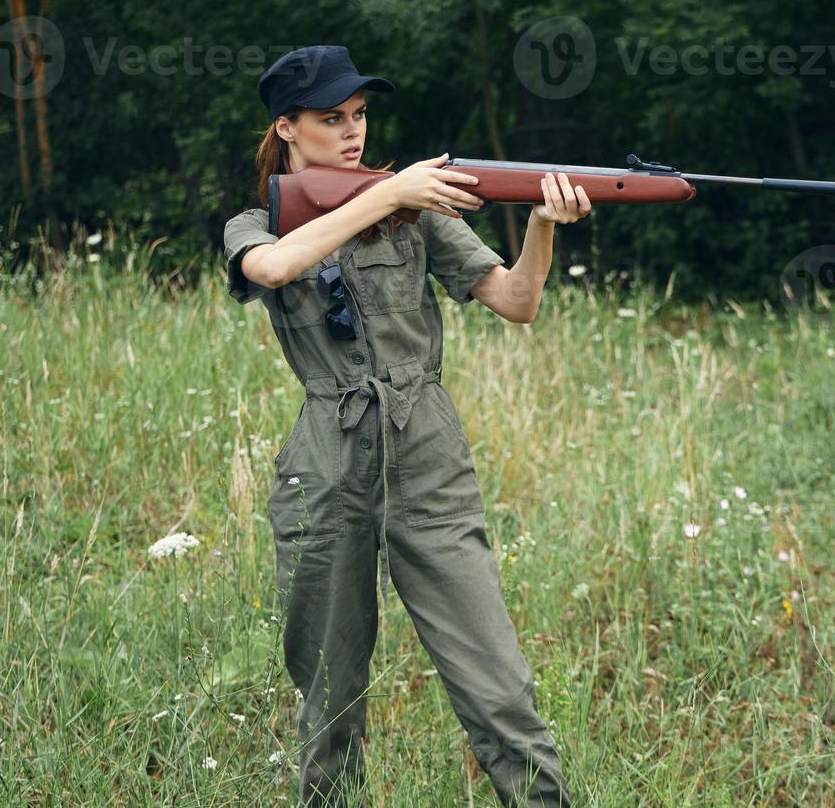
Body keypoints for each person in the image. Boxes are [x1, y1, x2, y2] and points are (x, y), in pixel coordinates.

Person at [222, 45, 588, 807]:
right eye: (332, 119)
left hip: (427, 450)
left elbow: (518, 301)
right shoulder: (256, 222)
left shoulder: (414, 212)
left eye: (360, 116)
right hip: (327, 460)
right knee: (331, 703)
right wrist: (389, 194)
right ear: (287, 128)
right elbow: (275, 268)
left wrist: (545, 225)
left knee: (500, 691)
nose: (353, 133)